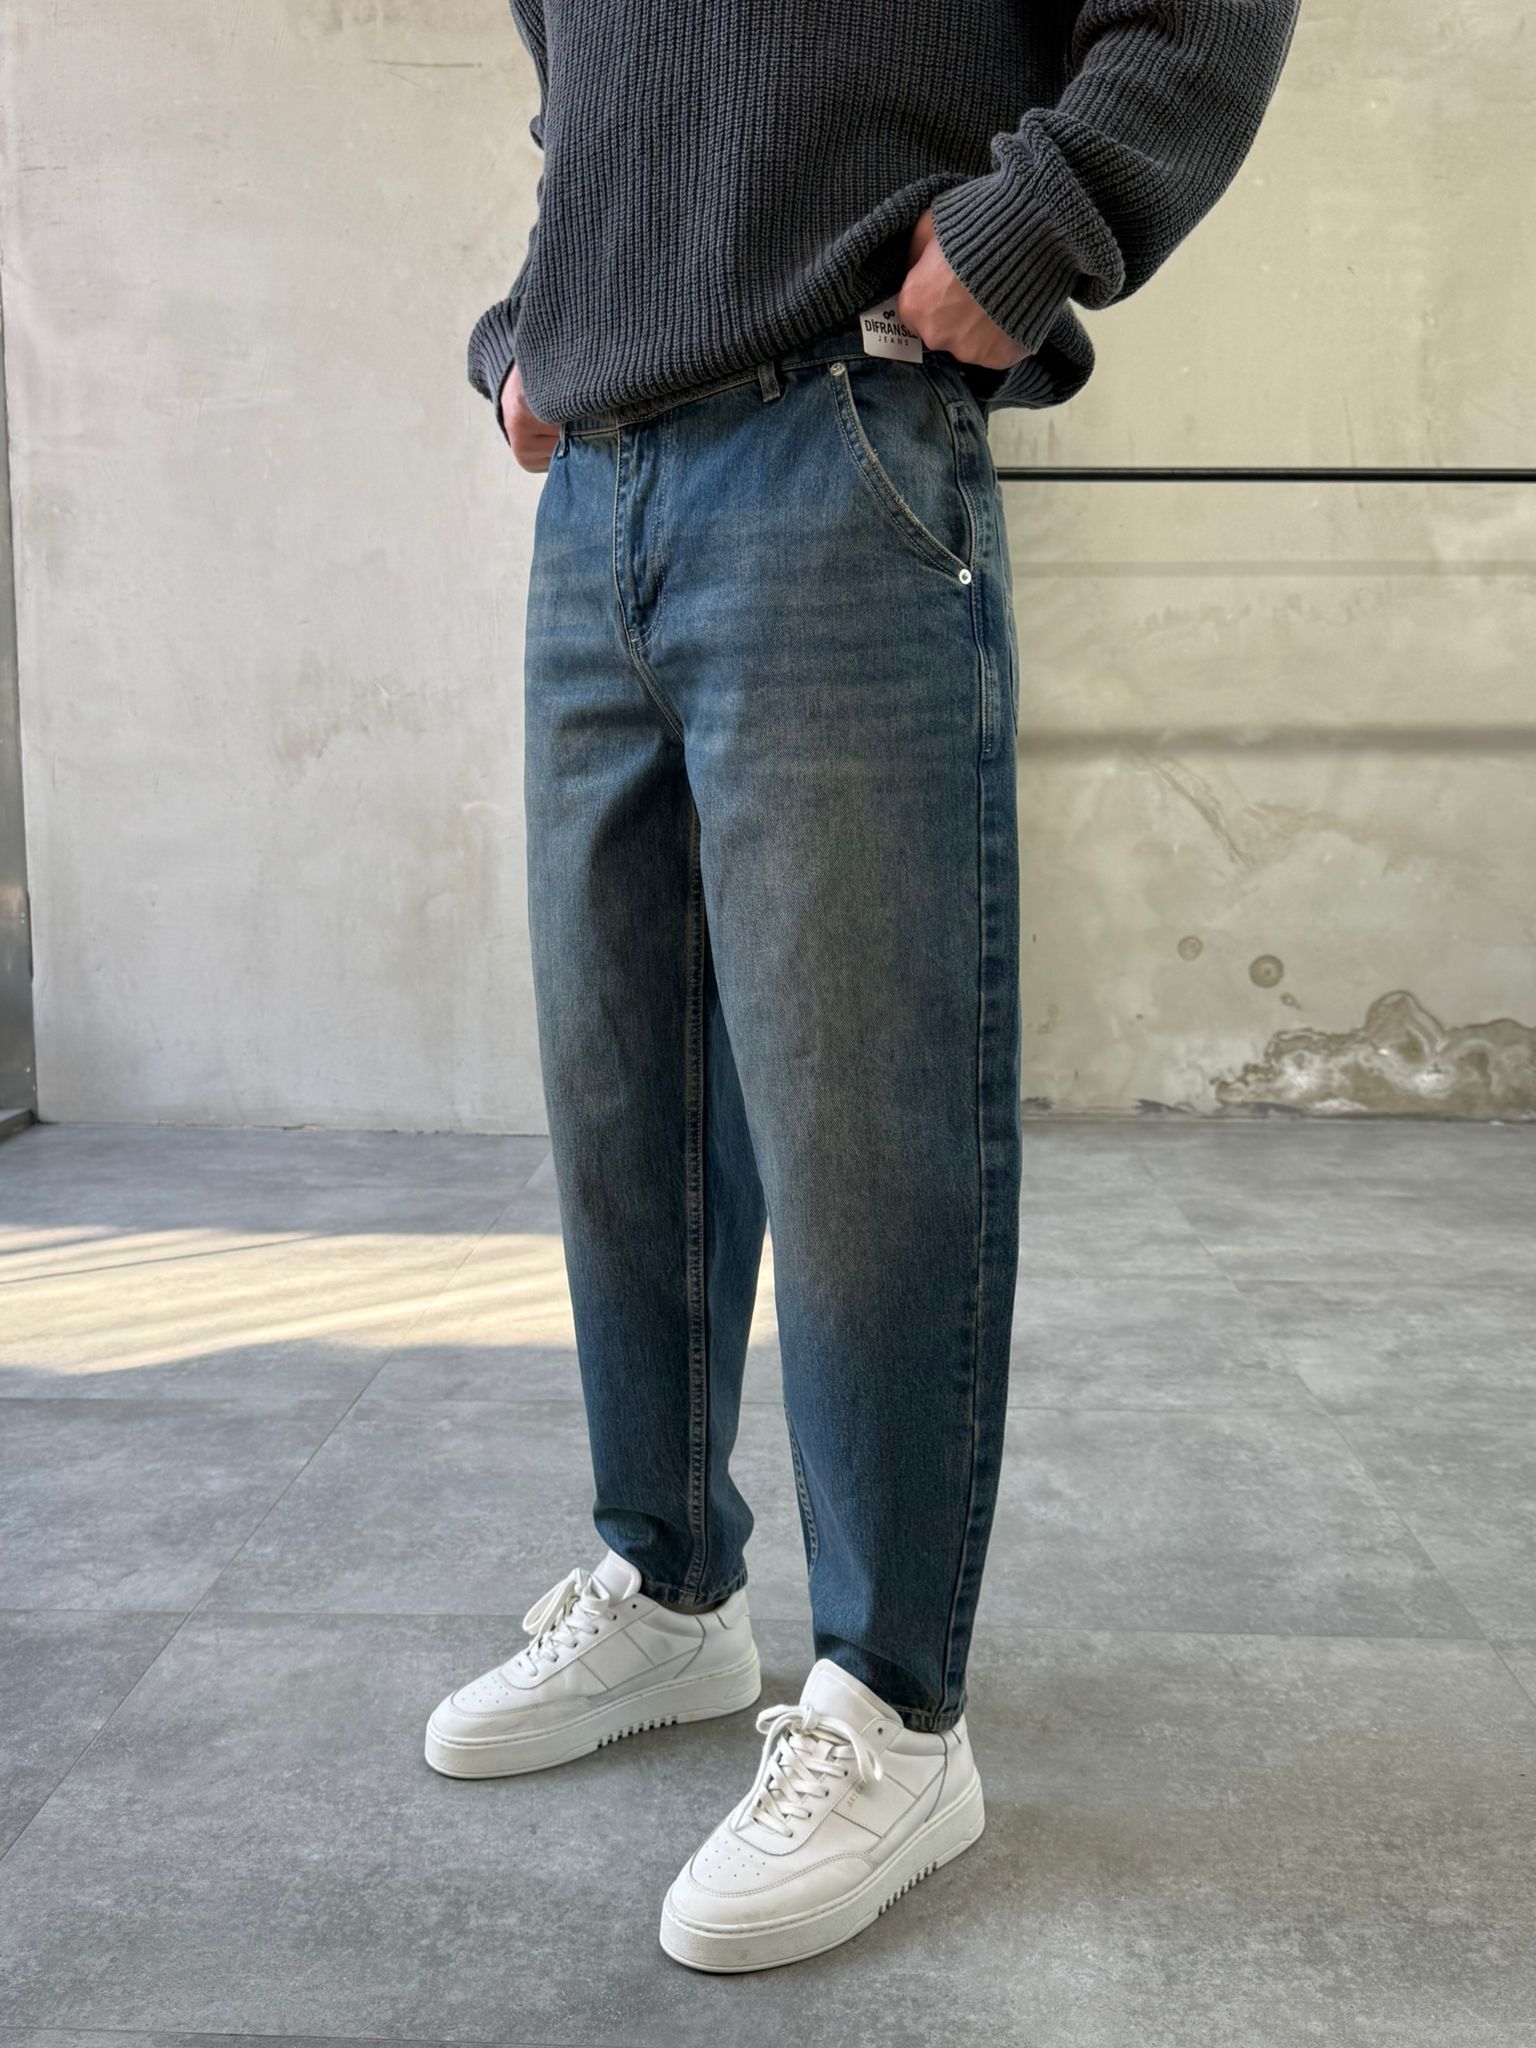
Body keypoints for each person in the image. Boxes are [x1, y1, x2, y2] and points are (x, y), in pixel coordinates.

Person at [427, 0, 1301, 1973]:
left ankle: (897, 1706)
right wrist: (533, 337)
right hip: (598, 481)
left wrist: (1033, 225)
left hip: (838, 430)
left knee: (860, 1109)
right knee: (622, 1087)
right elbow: (595, 102)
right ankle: (666, 1587)